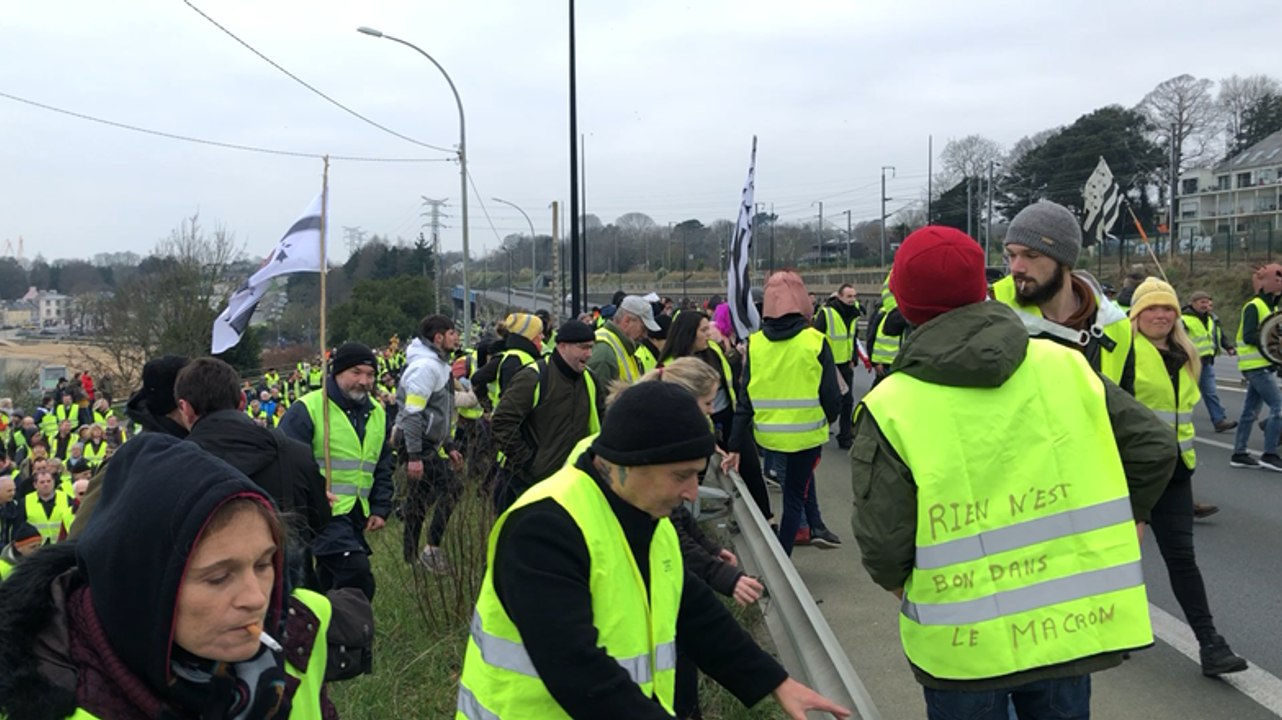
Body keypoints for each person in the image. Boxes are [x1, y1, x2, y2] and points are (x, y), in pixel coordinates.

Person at [850, 226, 1176, 719]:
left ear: (907, 306)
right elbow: (1154, 447)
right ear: (982, 288)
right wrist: (1129, 517)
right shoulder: (1062, 365)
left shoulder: (892, 404)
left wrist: (904, 585)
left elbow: (882, 540)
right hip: (1066, 629)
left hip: (961, 645)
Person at [456, 381, 850, 720]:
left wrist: (774, 680)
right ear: (624, 464)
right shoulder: (543, 529)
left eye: (697, 475)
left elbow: (689, 606)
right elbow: (576, 669)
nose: (692, 493)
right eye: (681, 476)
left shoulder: (644, 510)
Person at [0, 433, 340, 718]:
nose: (256, 599)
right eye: (219, 577)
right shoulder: (58, 703)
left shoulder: (299, 631)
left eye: (264, 564)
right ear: (143, 587)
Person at [1128, 278, 1247, 676]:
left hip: (1176, 476)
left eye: (1167, 309)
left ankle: (1211, 644)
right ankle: (1114, 631)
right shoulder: (1124, 354)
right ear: (1136, 315)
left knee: (1182, 560)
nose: (1160, 315)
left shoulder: (1186, 356)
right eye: (1151, 309)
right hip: (1132, 477)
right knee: (1118, 561)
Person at [174, 358, 331, 580]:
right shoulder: (296, 455)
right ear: (243, 400)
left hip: (212, 599)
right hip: (290, 595)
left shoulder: (173, 467)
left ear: (185, 408)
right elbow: (321, 522)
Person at [729, 271, 842, 555]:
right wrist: (826, 420)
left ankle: (813, 527)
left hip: (769, 437)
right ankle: (784, 559)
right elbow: (830, 394)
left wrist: (734, 444)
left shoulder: (756, 344)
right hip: (807, 436)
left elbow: (745, 399)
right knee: (795, 496)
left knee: (793, 491)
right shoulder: (814, 341)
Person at [280, 342, 394, 601]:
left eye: (370, 374)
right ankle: (355, 633)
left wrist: (380, 506)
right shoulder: (307, 408)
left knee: (326, 584)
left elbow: (382, 464)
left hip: (356, 513)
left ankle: (326, 632)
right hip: (319, 514)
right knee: (357, 574)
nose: (364, 381)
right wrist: (313, 497)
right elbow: (286, 462)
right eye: (356, 372)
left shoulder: (377, 413)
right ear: (336, 372)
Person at [992, 200, 1134, 389]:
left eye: (1031, 256)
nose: (1016, 268)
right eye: (1011, 255)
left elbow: (1126, 410)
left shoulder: (1115, 326)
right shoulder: (992, 315)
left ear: (1065, 262)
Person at [660, 310, 773, 522]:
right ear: (688, 334)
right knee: (694, 476)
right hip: (699, 427)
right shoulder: (672, 365)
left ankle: (767, 519)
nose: (709, 334)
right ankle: (685, 521)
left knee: (750, 468)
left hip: (729, 418)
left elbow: (729, 378)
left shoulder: (712, 350)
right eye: (703, 330)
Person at [491, 319, 604, 512]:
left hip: (572, 485)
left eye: (591, 348)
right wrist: (529, 463)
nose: (589, 354)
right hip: (527, 485)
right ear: (562, 346)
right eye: (583, 348)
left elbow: (601, 421)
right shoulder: (533, 376)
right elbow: (502, 422)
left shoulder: (590, 379)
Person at [395, 315, 465, 572]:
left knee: (418, 499)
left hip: (424, 441)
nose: (457, 338)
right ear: (438, 337)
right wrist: (414, 455)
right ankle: (431, 550)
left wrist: (449, 444)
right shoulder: (426, 367)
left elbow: (438, 411)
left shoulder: (438, 364)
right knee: (453, 487)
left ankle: (411, 557)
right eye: (452, 333)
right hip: (417, 441)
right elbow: (413, 413)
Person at [1230, 263, 1282, 471]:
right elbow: (1249, 335)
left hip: (1263, 365)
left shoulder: (1273, 308)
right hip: (1256, 366)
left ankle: (1239, 453)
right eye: (1276, 278)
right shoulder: (1254, 306)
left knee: (1249, 412)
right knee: (1279, 407)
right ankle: (1269, 454)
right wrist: (1270, 338)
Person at [813, 284, 862, 448]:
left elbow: (853, 338)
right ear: (839, 297)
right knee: (828, 399)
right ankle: (820, 428)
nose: (852, 300)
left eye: (854, 296)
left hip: (846, 364)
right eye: (849, 296)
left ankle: (845, 436)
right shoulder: (826, 313)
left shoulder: (854, 313)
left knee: (848, 401)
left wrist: (853, 357)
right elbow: (816, 337)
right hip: (830, 365)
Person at [1182, 290, 1237, 434]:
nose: (1205, 305)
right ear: (1192, 303)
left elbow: (1218, 335)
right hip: (1188, 363)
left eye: (1207, 302)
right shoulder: (1183, 319)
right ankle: (1179, 421)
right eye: (1202, 302)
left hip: (1206, 362)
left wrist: (1229, 347)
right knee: (1185, 394)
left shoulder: (1212, 318)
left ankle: (1219, 421)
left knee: (1210, 392)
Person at [589, 295, 660, 384]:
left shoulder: (624, 347)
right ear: (627, 321)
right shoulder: (604, 352)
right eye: (643, 328)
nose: (645, 335)